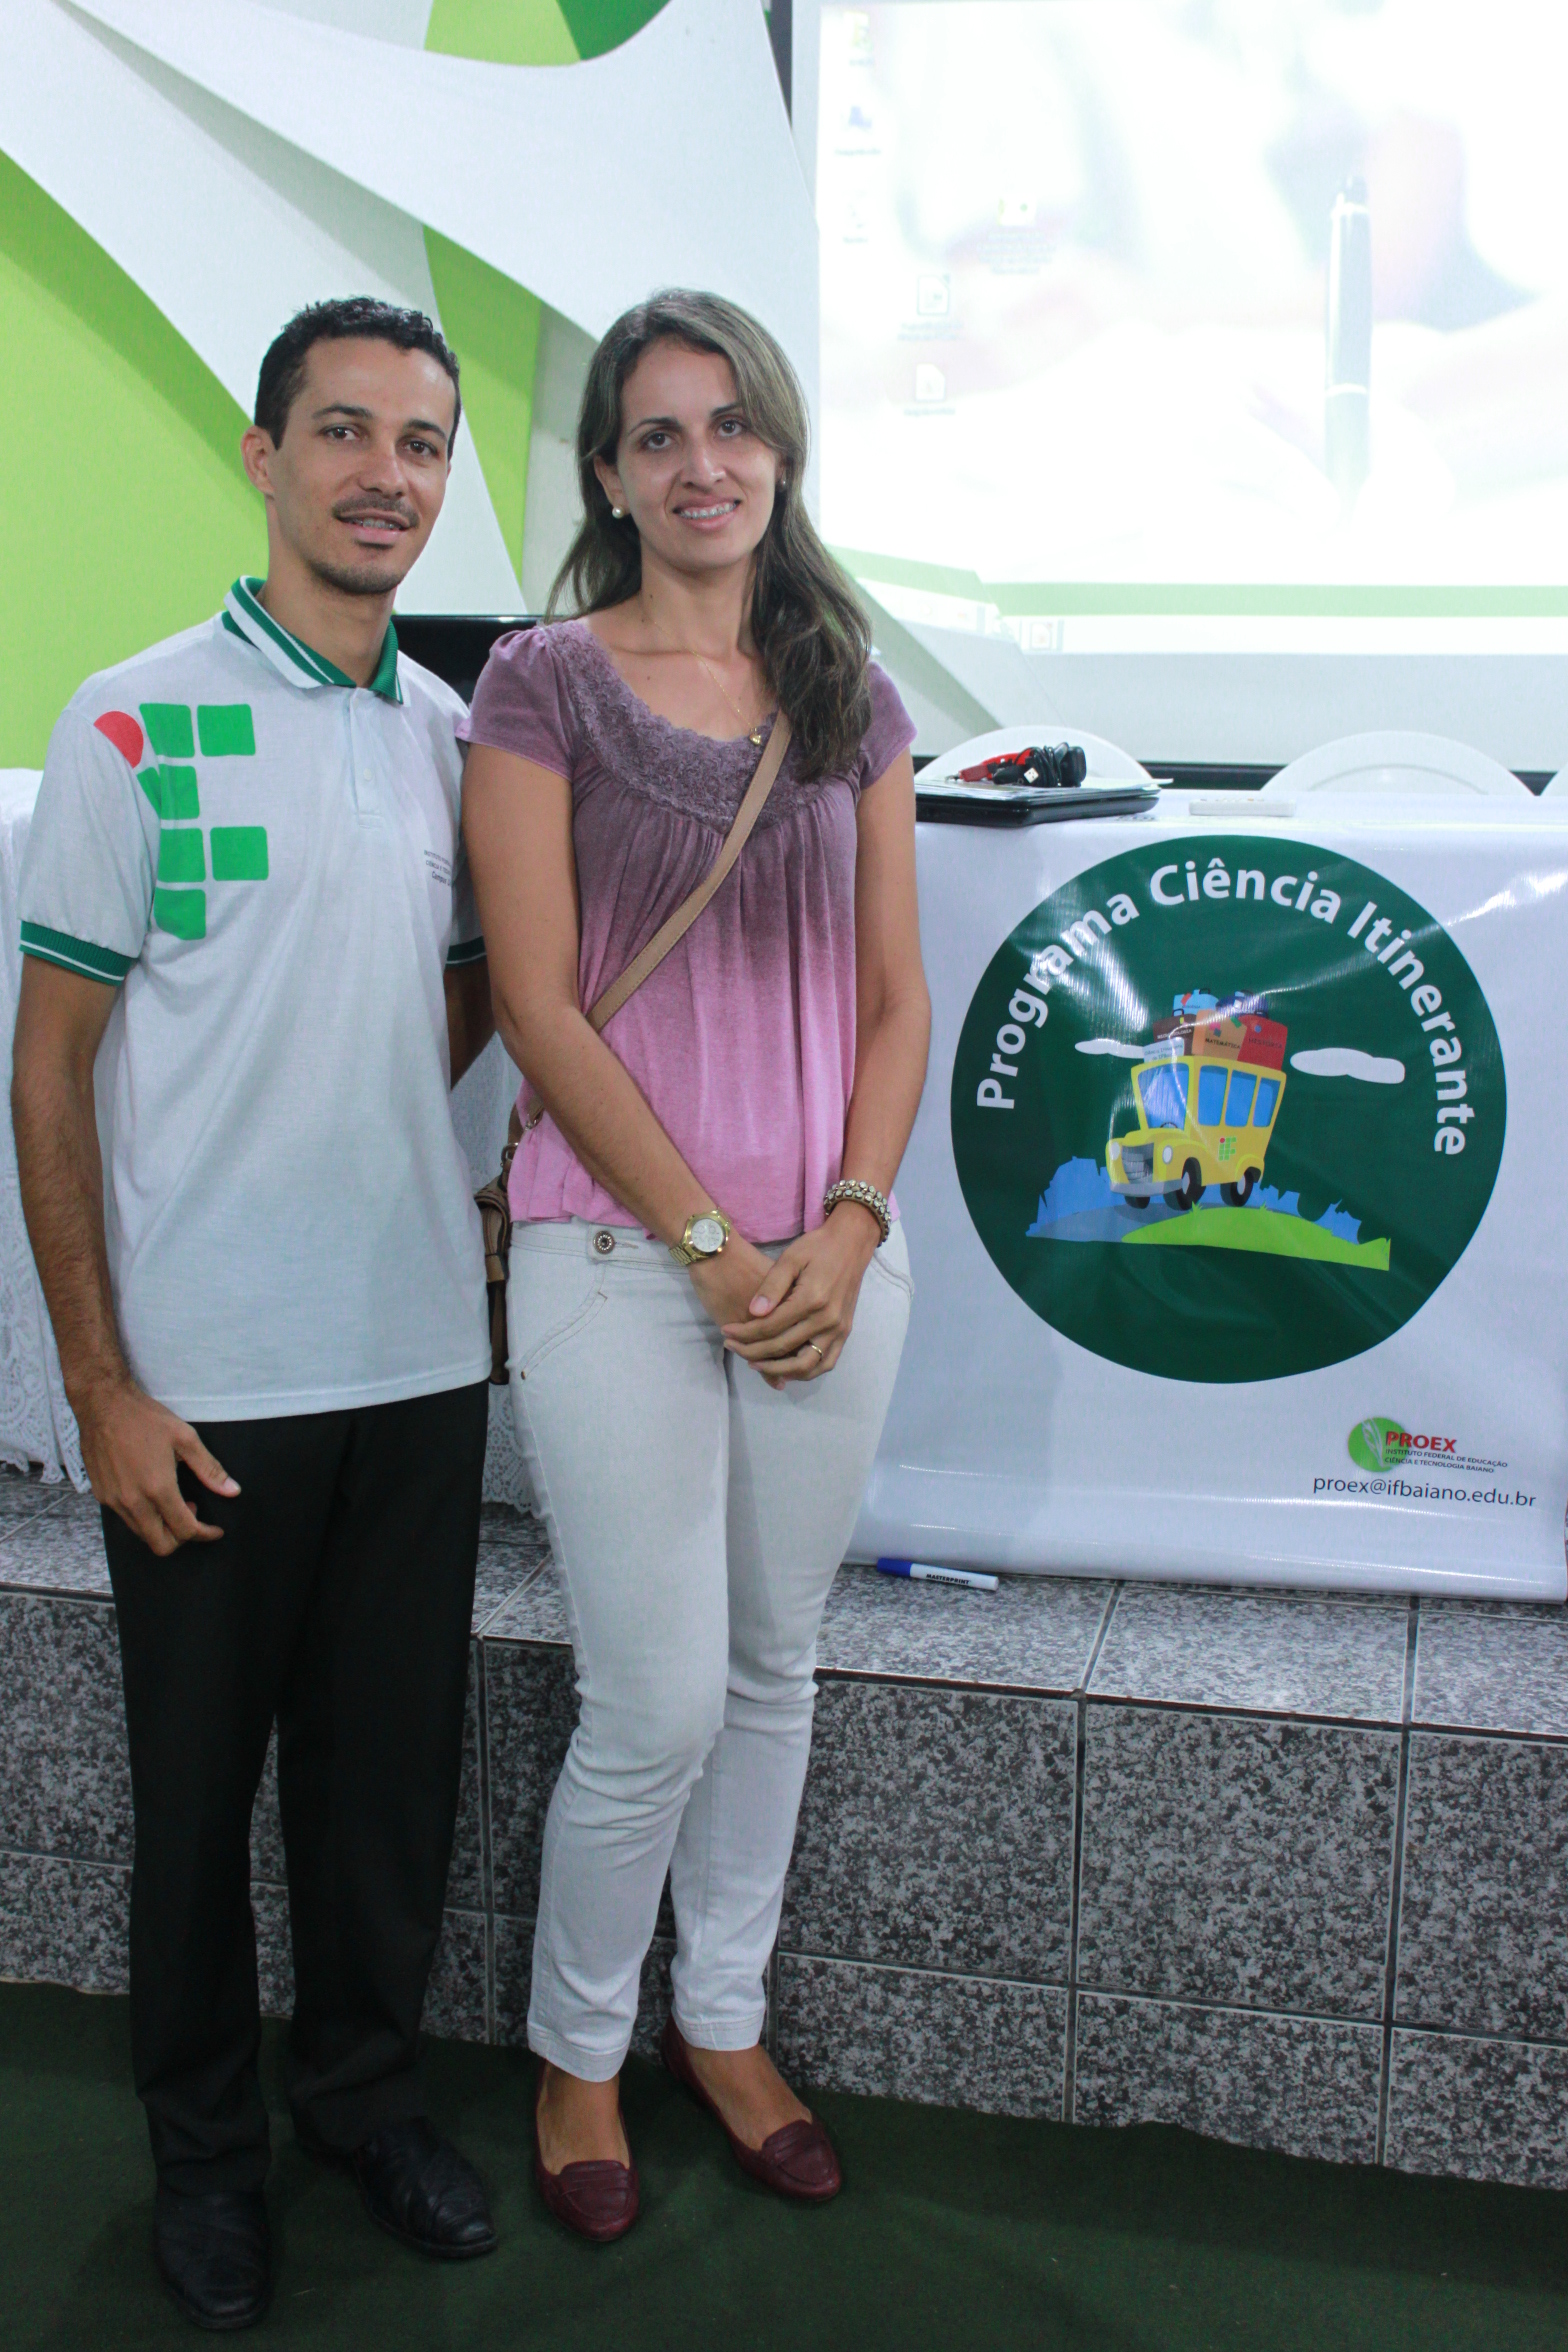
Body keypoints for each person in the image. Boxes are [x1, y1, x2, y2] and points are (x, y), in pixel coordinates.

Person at [10, 298, 500, 2331]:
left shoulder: (458, 736)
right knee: (197, 1805)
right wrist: (100, 1385)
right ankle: (206, 2163)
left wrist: (380, 1137)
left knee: (387, 1792)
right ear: (264, 454)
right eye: (345, 431)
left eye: (421, 442)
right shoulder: (133, 722)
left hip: (421, 1363)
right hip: (203, 1384)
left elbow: (464, 995)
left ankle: (363, 2102)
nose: (387, 474)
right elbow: (49, 1072)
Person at [461, 289, 931, 2241]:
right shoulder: (541, 685)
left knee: (769, 1665)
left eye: (732, 424)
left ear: (782, 451)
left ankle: (720, 2023)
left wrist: (849, 1225)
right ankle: (577, 2051)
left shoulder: (849, 693)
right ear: (606, 476)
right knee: (653, 1699)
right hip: (614, 1257)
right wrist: (718, 1243)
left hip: (826, 1268)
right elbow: (539, 1006)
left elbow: (897, 1003)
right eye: (657, 433)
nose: (701, 462)